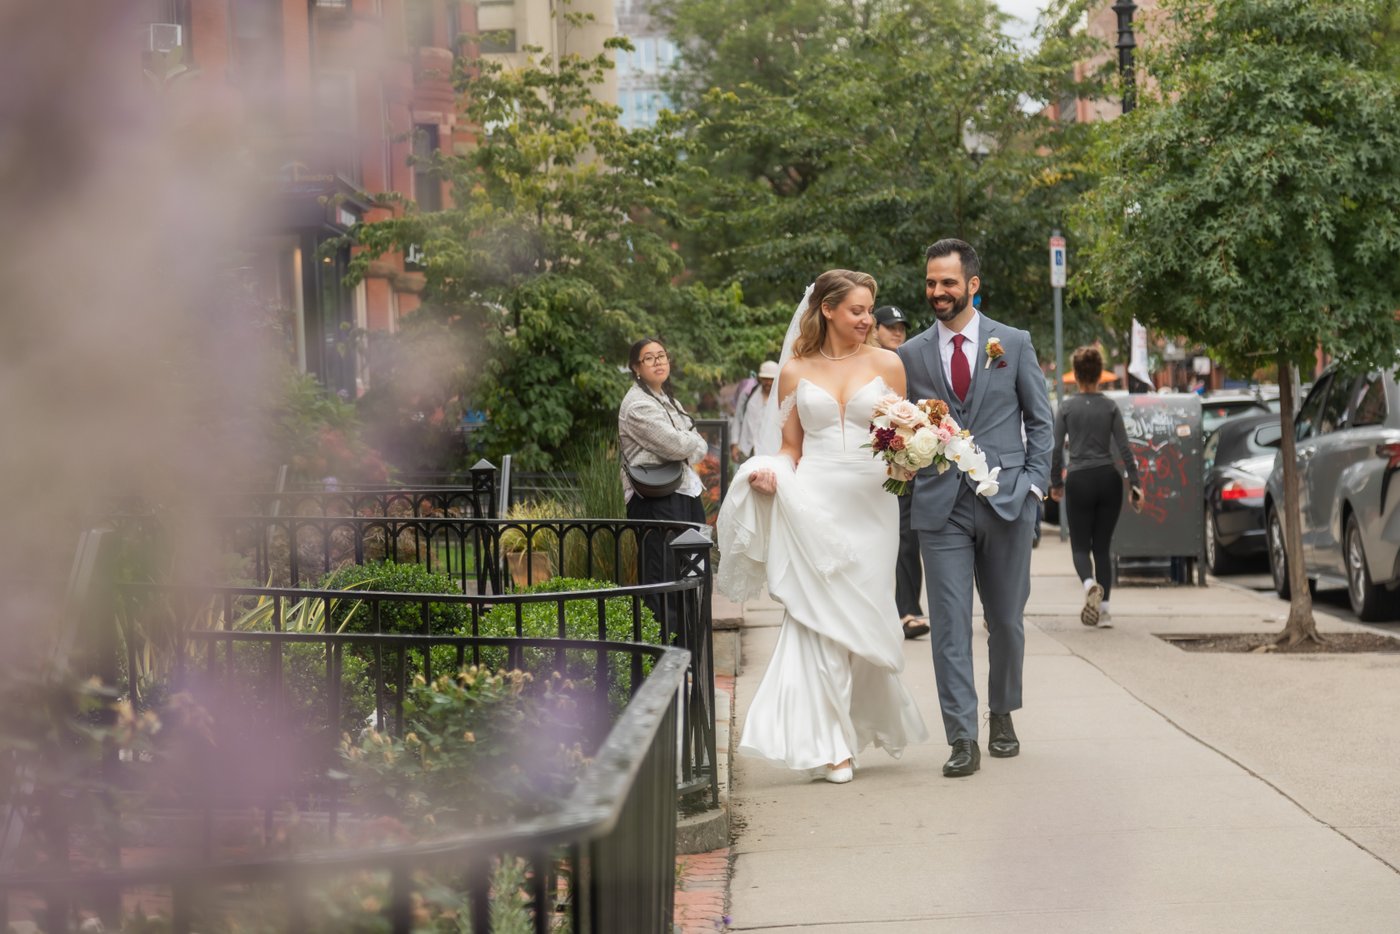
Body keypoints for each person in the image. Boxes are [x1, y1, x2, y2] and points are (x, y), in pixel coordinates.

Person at [716, 270, 928, 785]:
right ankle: (833, 747)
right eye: (857, 310)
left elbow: (903, 436)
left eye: (869, 311)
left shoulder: (889, 364)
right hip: (814, 501)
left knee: (863, 620)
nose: (866, 320)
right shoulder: (793, 371)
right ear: (828, 309)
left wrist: (914, 459)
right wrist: (772, 473)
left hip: (874, 510)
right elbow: (791, 447)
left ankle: (850, 729)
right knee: (819, 624)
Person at [897, 238, 1052, 779]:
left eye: (947, 283)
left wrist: (1034, 487)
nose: (937, 293)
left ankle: (1003, 712)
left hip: (1007, 502)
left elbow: (1040, 421)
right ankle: (961, 737)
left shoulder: (1012, 343)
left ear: (972, 286)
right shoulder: (911, 354)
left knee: (1006, 621)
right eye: (931, 283)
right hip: (941, 508)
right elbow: (899, 424)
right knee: (948, 627)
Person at [1049, 346, 1143, 628]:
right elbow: (1125, 449)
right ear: (1099, 376)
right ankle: (1104, 611)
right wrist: (1136, 484)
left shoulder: (1066, 408)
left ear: (1076, 375)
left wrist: (1056, 482)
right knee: (1102, 548)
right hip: (1108, 479)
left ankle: (1089, 584)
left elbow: (1055, 450)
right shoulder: (1110, 406)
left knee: (1080, 546)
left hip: (1079, 479)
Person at [618, 337, 709, 621]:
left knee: (689, 573)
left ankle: (689, 649)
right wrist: (691, 442)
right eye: (649, 358)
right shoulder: (637, 406)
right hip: (656, 501)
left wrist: (691, 442)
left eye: (662, 355)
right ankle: (666, 655)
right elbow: (679, 445)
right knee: (663, 579)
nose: (658, 362)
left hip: (683, 493)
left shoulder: (668, 400)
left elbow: (696, 445)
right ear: (636, 367)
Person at [872, 305, 929, 640]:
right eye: (891, 327)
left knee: (907, 538)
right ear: (875, 328)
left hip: (900, 461)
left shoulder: (909, 362)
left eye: (902, 327)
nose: (897, 332)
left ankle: (909, 611)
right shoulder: (864, 361)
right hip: (864, 462)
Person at [730, 360, 778, 463]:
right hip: (747, 449)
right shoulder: (748, 394)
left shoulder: (781, 398)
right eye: (765, 379)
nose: (768, 383)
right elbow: (738, 418)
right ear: (760, 378)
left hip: (771, 451)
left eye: (771, 379)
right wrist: (734, 444)